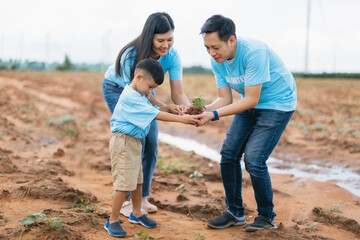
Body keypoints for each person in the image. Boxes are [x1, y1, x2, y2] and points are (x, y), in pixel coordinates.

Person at [196, 15, 297, 232]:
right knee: (229, 154)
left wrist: (213, 115)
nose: (211, 53)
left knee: (254, 159)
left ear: (231, 41)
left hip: (277, 103)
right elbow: (225, 99)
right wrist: (203, 110)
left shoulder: (254, 52)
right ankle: (235, 212)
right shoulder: (218, 61)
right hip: (249, 103)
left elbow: (252, 99)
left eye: (215, 47)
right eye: (206, 48)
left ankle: (266, 216)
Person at [102, 12, 190, 217]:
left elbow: (178, 93)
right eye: (160, 40)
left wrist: (189, 110)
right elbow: (135, 98)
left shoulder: (173, 56)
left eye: (170, 39)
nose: (165, 45)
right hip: (120, 90)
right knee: (135, 138)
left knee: (151, 143)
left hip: (146, 90)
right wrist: (172, 114)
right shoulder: (130, 56)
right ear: (149, 36)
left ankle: (142, 199)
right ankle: (126, 201)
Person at [104, 58, 199, 237]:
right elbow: (156, 115)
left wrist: (170, 108)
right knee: (124, 184)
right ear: (139, 77)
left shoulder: (139, 92)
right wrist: (183, 119)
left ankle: (137, 213)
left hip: (133, 142)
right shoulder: (130, 97)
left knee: (137, 181)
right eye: (151, 86)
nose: (151, 91)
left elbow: (152, 101)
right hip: (123, 143)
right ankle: (113, 220)